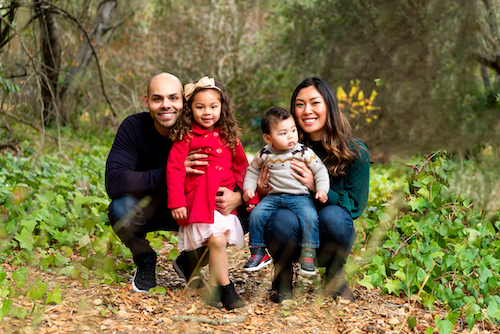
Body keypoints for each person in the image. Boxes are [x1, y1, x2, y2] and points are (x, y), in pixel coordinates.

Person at [105, 73, 245, 294]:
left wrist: (237, 197)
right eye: (157, 99)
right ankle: (145, 260)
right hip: (150, 207)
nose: (166, 105)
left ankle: (190, 262)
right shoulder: (133, 128)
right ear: (146, 101)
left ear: (184, 101)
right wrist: (172, 171)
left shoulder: (205, 130)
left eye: (173, 98)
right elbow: (114, 182)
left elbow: (234, 167)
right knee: (120, 208)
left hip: (194, 206)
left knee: (243, 208)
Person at [257, 77, 370, 303]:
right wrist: (262, 191)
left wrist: (316, 185)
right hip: (291, 226)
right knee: (280, 218)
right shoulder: (280, 148)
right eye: (300, 104)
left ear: (329, 106)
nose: (307, 110)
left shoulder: (354, 151)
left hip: (329, 233)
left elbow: (355, 207)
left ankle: (334, 275)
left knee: (335, 217)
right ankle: (283, 275)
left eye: (315, 103)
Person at [166, 76, 247, 310]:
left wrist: (245, 195)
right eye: (200, 107)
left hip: (221, 202)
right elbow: (174, 170)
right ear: (190, 109)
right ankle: (228, 290)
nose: (207, 112)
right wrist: (177, 202)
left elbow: (241, 166)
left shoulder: (229, 136)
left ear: (222, 108)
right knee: (217, 240)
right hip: (198, 201)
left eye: (213, 106)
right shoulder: (186, 137)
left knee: (218, 241)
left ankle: (213, 290)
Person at [242, 107, 329, 275]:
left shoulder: (303, 151)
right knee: (256, 215)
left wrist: (322, 190)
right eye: (283, 133)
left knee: (310, 216)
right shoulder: (264, 153)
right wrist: (249, 189)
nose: (290, 136)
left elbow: (320, 170)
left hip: (300, 197)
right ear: (268, 138)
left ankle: (308, 254)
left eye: (293, 130)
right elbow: (252, 171)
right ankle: (258, 252)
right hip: (273, 197)